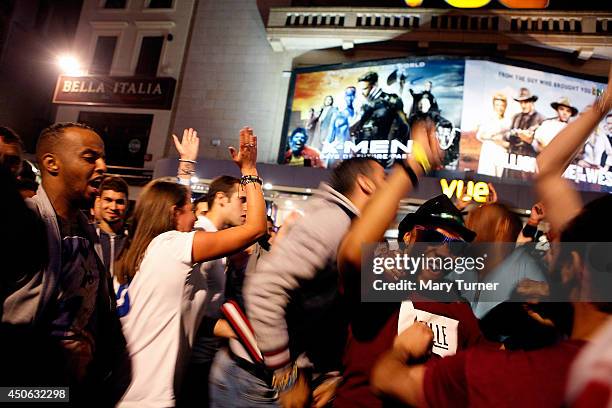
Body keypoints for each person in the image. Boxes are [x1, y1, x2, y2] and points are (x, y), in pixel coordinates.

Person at [369, 66, 612, 408]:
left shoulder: (515, 374)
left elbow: (388, 380)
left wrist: (399, 352)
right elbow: (548, 167)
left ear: (576, 265)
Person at [333, 119, 484, 408]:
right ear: (409, 237)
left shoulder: (464, 313)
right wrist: (414, 165)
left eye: (455, 245)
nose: (442, 251)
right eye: (431, 237)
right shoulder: (382, 286)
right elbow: (352, 252)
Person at [115, 127, 267, 408]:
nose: (197, 213)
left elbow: (175, 207)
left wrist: (186, 165)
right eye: (191, 209)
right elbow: (256, 228)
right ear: (175, 214)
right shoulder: (171, 246)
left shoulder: (149, 247)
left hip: (139, 389)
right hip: (148, 397)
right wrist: (250, 170)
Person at [229, 158, 385, 408]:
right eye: (384, 181)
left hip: (285, 375)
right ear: (365, 184)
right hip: (256, 382)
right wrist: (285, 375)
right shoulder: (334, 221)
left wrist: (331, 373)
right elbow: (263, 289)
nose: (390, 190)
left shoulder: (350, 226)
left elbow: (332, 311)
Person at [1, 122, 129, 406]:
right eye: (90, 157)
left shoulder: (86, 232)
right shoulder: (24, 226)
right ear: (51, 163)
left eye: (102, 157)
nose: (102, 166)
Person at [180, 175, 246, 407]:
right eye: (242, 200)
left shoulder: (217, 238)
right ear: (220, 198)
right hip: (192, 358)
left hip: (206, 354)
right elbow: (184, 302)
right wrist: (229, 330)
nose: (245, 208)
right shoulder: (201, 237)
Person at [350, 71, 409, 165]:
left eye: (365, 89)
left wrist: (394, 154)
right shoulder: (364, 106)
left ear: (374, 86)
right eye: (360, 89)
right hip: (364, 157)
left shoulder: (392, 101)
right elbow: (356, 130)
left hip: (384, 156)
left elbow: (404, 128)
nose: (362, 93)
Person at [503, 88, 544, 177]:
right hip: (513, 158)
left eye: (526, 102)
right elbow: (506, 135)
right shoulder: (515, 117)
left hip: (529, 159)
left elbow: (542, 144)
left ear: (531, 102)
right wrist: (513, 134)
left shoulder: (540, 119)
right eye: (521, 102)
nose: (523, 105)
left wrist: (529, 138)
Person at [95, 175, 129, 281]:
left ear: (127, 204)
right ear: (99, 201)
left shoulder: (133, 240)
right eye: (108, 200)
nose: (113, 207)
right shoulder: (87, 237)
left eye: (119, 202)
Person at [476, 93, 511, 177]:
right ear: (494, 105)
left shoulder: (508, 122)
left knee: (499, 180)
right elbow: (479, 135)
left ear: (505, 106)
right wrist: (491, 136)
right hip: (488, 153)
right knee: (485, 180)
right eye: (497, 105)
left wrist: (503, 142)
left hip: (502, 154)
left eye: (502, 105)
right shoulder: (487, 119)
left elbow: (509, 141)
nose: (499, 108)